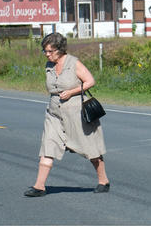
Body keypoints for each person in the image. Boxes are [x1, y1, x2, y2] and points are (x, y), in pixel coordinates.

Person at [24, 33, 110, 197]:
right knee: (47, 146)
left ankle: (103, 180)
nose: (47, 54)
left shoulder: (73, 63)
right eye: (45, 51)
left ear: (60, 49)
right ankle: (39, 186)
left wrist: (71, 92)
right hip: (54, 113)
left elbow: (90, 81)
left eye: (50, 51)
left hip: (76, 112)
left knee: (90, 148)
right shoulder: (49, 65)